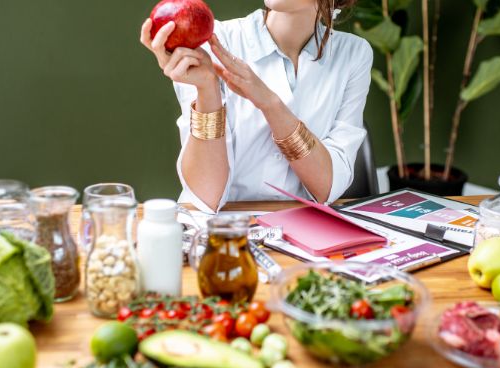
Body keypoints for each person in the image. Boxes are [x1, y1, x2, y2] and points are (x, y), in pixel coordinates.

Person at [140, 0, 372, 213]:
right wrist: (207, 89)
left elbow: (327, 188)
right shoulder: (210, 41)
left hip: (302, 237)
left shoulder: (353, 55)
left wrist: (270, 104)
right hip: (218, 236)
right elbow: (206, 197)